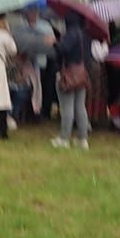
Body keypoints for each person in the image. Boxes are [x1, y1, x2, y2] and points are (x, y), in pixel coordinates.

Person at [52, 13, 91, 149]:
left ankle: (64, 138)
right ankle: (83, 139)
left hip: (68, 75)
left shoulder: (71, 34)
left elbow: (63, 49)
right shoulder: (84, 35)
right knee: (80, 107)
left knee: (67, 108)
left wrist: (54, 42)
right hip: (81, 74)